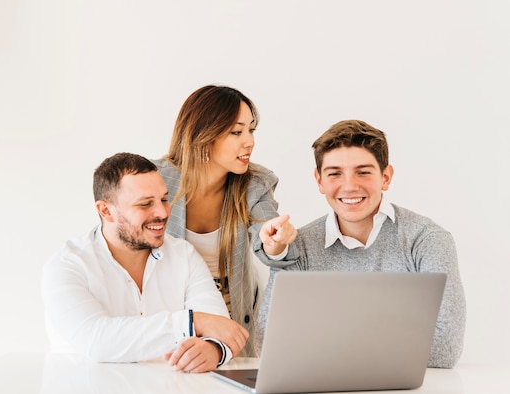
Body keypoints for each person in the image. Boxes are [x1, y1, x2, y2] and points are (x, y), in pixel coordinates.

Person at [256, 120, 466, 368]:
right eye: (334, 173)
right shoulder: (297, 246)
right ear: (319, 180)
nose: (349, 186)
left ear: (385, 177)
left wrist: (323, 344)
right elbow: (270, 341)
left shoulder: (427, 240)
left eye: (363, 172)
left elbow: (446, 347)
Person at [42, 152, 249, 373]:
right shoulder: (67, 265)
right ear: (106, 210)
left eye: (164, 199)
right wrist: (190, 323)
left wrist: (213, 350)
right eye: (145, 204)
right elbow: (96, 340)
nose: (162, 212)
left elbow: (221, 328)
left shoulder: (183, 255)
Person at [153, 85, 297, 357]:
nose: (250, 141)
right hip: (170, 322)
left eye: (251, 130)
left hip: (229, 327)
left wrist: (275, 242)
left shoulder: (256, 184)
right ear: (203, 135)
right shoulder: (155, 179)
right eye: (237, 132)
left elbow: (267, 237)